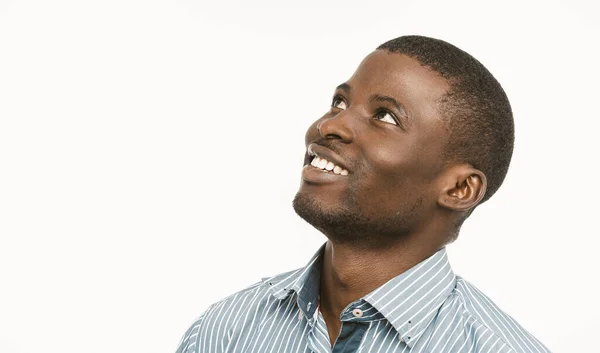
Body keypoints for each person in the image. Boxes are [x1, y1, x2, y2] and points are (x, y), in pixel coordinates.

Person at [175, 35, 550, 353]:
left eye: (385, 116)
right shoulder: (225, 330)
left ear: (458, 188)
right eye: (340, 101)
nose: (330, 124)